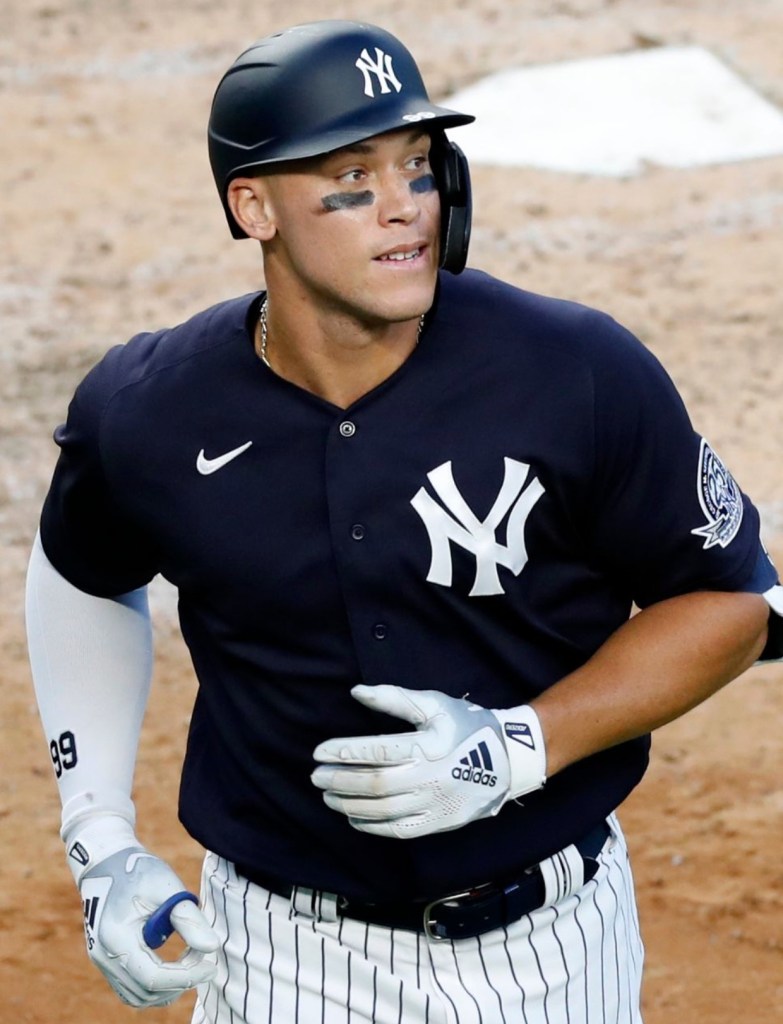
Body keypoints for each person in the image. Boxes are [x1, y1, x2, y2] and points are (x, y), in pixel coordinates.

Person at [25, 18, 783, 1024]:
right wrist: (100, 840)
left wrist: (518, 746)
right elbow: (80, 571)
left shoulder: (574, 373)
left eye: (418, 166)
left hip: (549, 952)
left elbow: (735, 601)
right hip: (279, 957)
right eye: (352, 177)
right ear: (253, 206)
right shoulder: (154, 409)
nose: (404, 207)